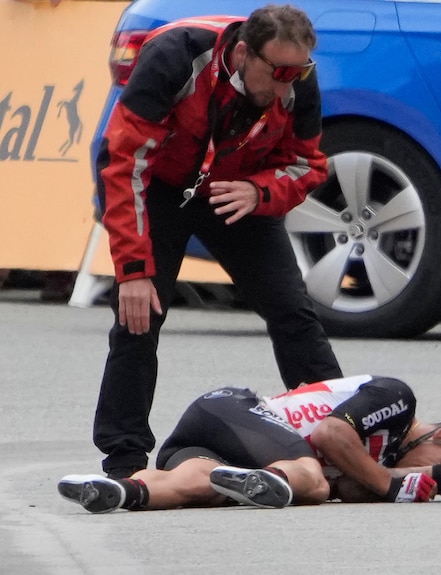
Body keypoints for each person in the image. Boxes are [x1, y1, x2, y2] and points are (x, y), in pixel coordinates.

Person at [93, 5, 343, 480]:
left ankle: (339, 437)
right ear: (244, 53)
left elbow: (308, 166)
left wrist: (261, 190)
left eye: (300, 72)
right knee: (138, 312)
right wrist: (132, 270)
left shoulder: (296, 85)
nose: (288, 87)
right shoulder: (174, 56)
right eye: (279, 73)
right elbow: (124, 162)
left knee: (292, 309)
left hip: (237, 190)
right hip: (160, 186)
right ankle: (124, 461)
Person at [58, 375, 441, 513]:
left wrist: (413, 480)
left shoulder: (382, 460)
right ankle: (267, 480)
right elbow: (331, 436)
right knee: (310, 481)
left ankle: (124, 491)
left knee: (197, 484)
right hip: (231, 409)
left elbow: (347, 489)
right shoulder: (398, 400)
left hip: (212, 445)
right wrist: (394, 487)